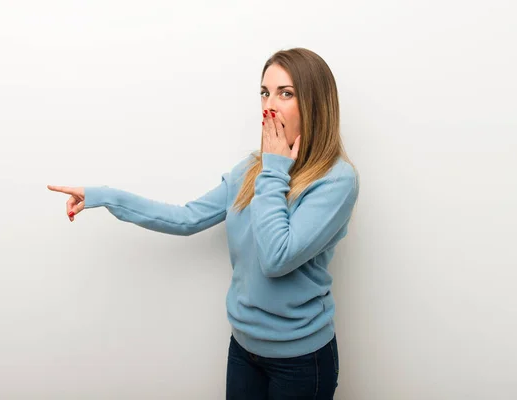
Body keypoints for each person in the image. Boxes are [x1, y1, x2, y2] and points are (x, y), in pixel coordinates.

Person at [48, 47, 358, 399]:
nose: (269, 104)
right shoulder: (251, 169)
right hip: (244, 350)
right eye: (264, 92)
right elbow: (186, 218)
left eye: (285, 93)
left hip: (302, 362)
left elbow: (276, 258)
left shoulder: (335, 180)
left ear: (315, 103)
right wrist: (103, 196)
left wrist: (274, 169)